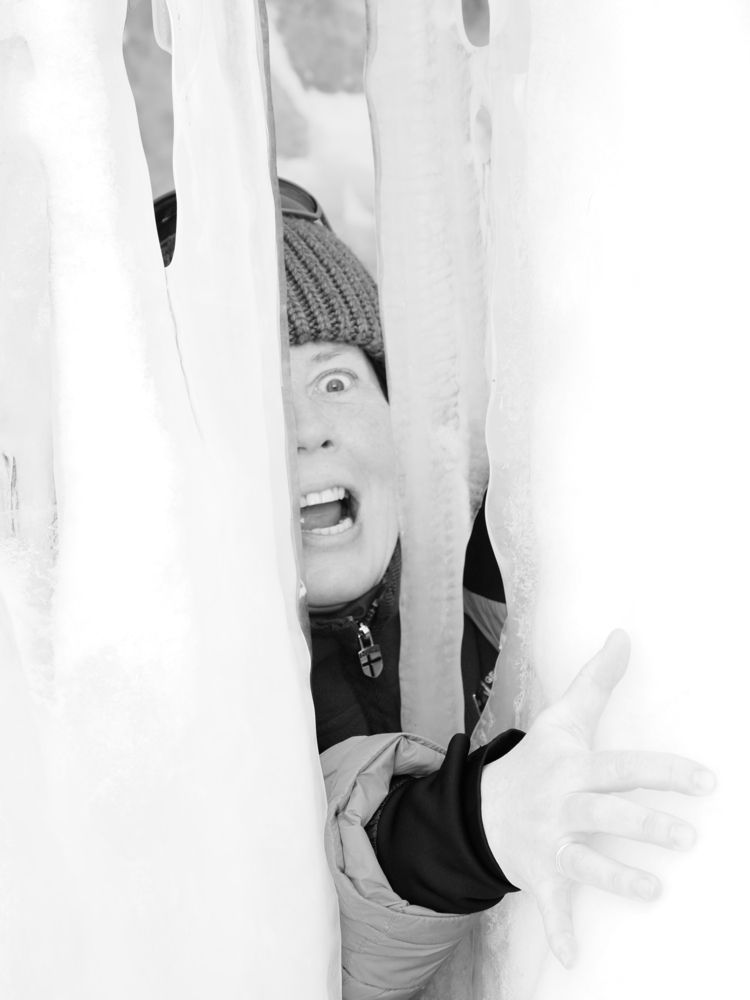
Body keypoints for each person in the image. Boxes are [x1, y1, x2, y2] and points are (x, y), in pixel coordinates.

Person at [156, 182, 716, 999]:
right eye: (248, 397)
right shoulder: (181, 698)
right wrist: (482, 825)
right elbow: (312, 912)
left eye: (336, 381)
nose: (306, 429)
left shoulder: (488, 558)